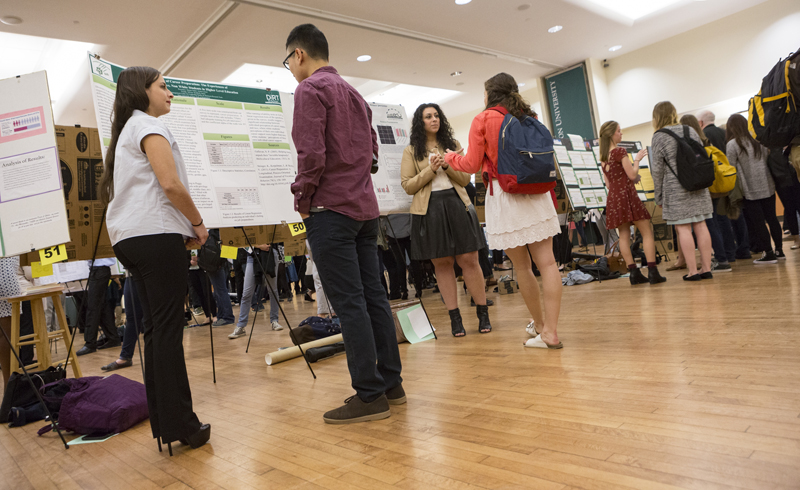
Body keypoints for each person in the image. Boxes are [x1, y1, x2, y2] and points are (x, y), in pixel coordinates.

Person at [285, 24, 403, 424]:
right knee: (374, 298)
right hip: (365, 210)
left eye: (288, 61)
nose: (290, 69)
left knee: (350, 303)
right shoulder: (354, 93)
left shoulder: (309, 90)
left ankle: (369, 396)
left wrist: (302, 198)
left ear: (298, 54)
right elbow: (371, 152)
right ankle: (391, 384)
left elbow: (311, 153)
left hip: (330, 212)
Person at [99, 66, 210, 453]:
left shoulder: (126, 130)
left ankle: (166, 422)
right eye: (163, 87)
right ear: (142, 91)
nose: (170, 94)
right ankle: (182, 423)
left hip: (129, 239)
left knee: (154, 330)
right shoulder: (148, 126)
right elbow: (170, 183)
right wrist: (197, 223)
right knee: (166, 330)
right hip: (155, 234)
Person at [445, 72, 563, 349]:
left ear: (489, 94)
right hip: (538, 194)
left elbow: (472, 164)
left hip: (506, 195)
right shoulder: (529, 116)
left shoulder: (484, 119)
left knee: (522, 266)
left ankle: (541, 326)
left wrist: (450, 157)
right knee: (548, 263)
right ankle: (552, 332)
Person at [400, 103, 492, 337]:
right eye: (428, 116)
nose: (434, 119)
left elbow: (464, 178)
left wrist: (448, 163)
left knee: (469, 260)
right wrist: (430, 170)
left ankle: (483, 313)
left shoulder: (454, 145)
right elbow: (408, 185)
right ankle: (455, 319)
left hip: (457, 204)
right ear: (420, 123)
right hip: (429, 210)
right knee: (442, 263)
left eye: (437, 115)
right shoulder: (411, 151)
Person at [650, 101, 713, 281]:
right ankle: (706, 268)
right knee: (701, 225)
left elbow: (658, 170)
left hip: (676, 188)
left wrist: (658, 196)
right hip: (698, 184)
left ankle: (692, 271)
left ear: (657, 117)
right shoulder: (689, 130)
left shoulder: (659, 136)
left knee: (683, 228)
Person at [598, 120, 667, 285]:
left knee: (623, 235)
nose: (621, 134)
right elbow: (631, 174)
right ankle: (652, 271)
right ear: (611, 134)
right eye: (619, 131)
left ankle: (633, 273)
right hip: (627, 196)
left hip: (614, 198)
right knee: (646, 232)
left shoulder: (603, 158)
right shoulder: (620, 151)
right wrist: (636, 160)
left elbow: (609, 184)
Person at [725, 114, 783, 263]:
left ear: (731, 127)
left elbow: (730, 168)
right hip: (767, 185)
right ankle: (779, 251)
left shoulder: (732, 145)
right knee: (772, 219)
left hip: (749, 190)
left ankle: (768, 253)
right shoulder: (758, 140)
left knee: (758, 223)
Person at [680, 114, 734, 272]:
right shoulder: (706, 141)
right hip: (716, 186)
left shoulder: (692, 145)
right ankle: (728, 254)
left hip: (704, 189)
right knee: (721, 221)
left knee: (709, 224)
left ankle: (721, 259)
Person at [698, 110, 751, 260]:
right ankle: (744, 249)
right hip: (731, 178)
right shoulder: (723, 133)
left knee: (721, 218)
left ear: (701, 123)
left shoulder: (704, 138)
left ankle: (729, 252)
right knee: (736, 213)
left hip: (718, 182)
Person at [227, 244, 284, 340]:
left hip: (270, 253)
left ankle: (274, 320)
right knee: (247, 293)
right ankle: (241, 325)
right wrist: (259, 245)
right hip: (252, 255)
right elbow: (245, 239)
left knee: (273, 290)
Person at [76, 258, 121, 355]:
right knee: (103, 306)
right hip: (98, 270)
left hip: (99, 270)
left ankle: (90, 343)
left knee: (93, 307)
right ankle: (113, 338)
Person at [101, 276, 143, 371]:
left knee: (153, 317)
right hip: (132, 274)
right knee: (132, 318)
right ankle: (125, 356)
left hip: (152, 272)